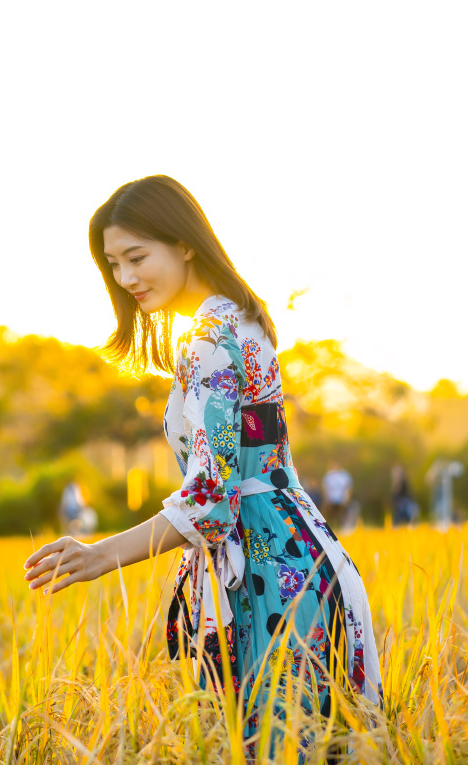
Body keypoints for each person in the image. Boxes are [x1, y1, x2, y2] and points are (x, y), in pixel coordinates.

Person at [24, 175, 381, 732]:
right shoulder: (240, 320)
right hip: (297, 559)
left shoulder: (209, 340)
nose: (126, 278)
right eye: (114, 265)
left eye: (137, 257)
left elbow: (212, 497)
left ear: (185, 242)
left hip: (271, 579)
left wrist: (99, 557)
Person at [321, 464, 352, 532]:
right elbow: (325, 488)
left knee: (341, 514)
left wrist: (347, 497)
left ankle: (342, 529)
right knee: (331, 515)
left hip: (341, 499)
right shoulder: (329, 475)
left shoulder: (344, 475)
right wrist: (326, 498)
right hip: (331, 499)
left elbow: (348, 487)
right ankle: (331, 528)